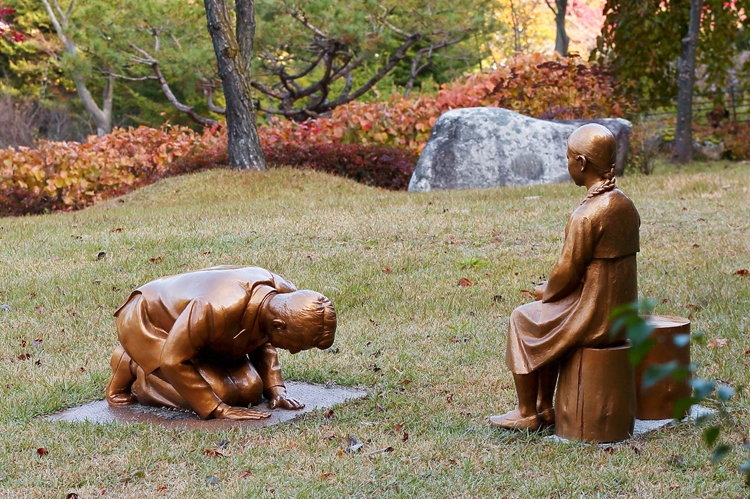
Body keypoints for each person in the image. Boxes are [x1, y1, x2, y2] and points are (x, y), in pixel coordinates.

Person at [490, 124, 640, 430]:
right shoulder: (624, 204)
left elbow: (568, 269)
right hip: (621, 311)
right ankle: (545, 407)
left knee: (523, 319)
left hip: (595, 315)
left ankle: (526, 412)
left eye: (568, 158)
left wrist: (549, 291)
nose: (567, 164)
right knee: (545, 321)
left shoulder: (586, 214)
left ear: (581, 163)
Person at [105, 265, 336, 420]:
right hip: (154, 325)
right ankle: (132, 363)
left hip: (202, 334)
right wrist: (217, 408)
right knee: (221, 392)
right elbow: (172, 359)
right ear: (279, 325)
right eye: (296, 344)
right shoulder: (214, 308)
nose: (294, 351)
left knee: (250, 390)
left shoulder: (283, 298)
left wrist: (276, 390)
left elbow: (263, 338)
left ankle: (201, 359)